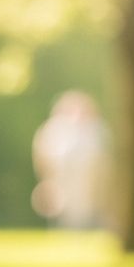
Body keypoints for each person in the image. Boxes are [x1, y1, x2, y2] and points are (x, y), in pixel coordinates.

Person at [31, 90, 111, 230]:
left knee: (84, 210)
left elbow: (103, 160)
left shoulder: (96, 129)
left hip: (87, 181)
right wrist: (47, 180)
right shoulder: (55, 128)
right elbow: (44, 156)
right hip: (63, 180)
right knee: (64, 210)